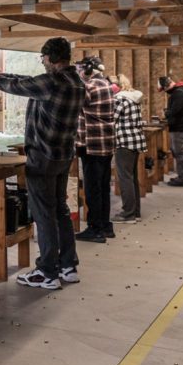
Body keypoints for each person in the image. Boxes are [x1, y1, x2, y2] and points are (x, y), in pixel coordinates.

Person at [0, 37, 85, 290]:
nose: (43, 62)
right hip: (63, 155)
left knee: (43, 213)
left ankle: (47, 272)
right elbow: (26, 80)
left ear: (50, 58)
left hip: (42, 157)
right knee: (60, 209)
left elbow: (19, 86)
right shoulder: (76, 81)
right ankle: (67, 265)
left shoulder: (51, 82)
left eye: (43, 58)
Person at [73, 56, 116, 244]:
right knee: (103, 187)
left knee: (93, 189)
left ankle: (95, 229)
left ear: (89, 69)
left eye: (81, 69)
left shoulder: (90, 87)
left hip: (92, 144)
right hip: (105, 144)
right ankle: (105, 226)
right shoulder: (106, 84)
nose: (79, 72)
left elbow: (74, 100)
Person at [112, 74, 145, 223]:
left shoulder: (119, 99)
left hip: (124, 142)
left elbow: (111, 118)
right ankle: (135, 212)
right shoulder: (133, 98)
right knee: (132, 177)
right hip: (135, 140)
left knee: (125, 178)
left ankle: (128, 213)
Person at [158, 75, 183, 186]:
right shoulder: (178, 92)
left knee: (180, 153)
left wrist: (166, 113)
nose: (164, 92)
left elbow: (175, 110)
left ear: (166, 86)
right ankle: (181, 176)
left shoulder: (179, 93)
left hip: (179, 128)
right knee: (178, 152)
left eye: (164, 89)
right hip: (178, 127)